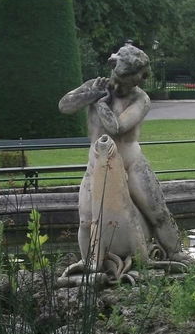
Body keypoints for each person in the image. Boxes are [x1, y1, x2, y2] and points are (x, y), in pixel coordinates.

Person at [58, 42, 183, 262]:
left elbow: (117, 127)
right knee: (86, 220)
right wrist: (89, 95)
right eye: (129, 80)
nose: (132, 85)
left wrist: (101, 103)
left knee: (158, 213)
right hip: (98, 163)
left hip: (131, 162)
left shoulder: (140, 99)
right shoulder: (94, 87)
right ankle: (90, 265)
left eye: (137, 80)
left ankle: (176, 253)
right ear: (117, 70)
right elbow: (64, 106)